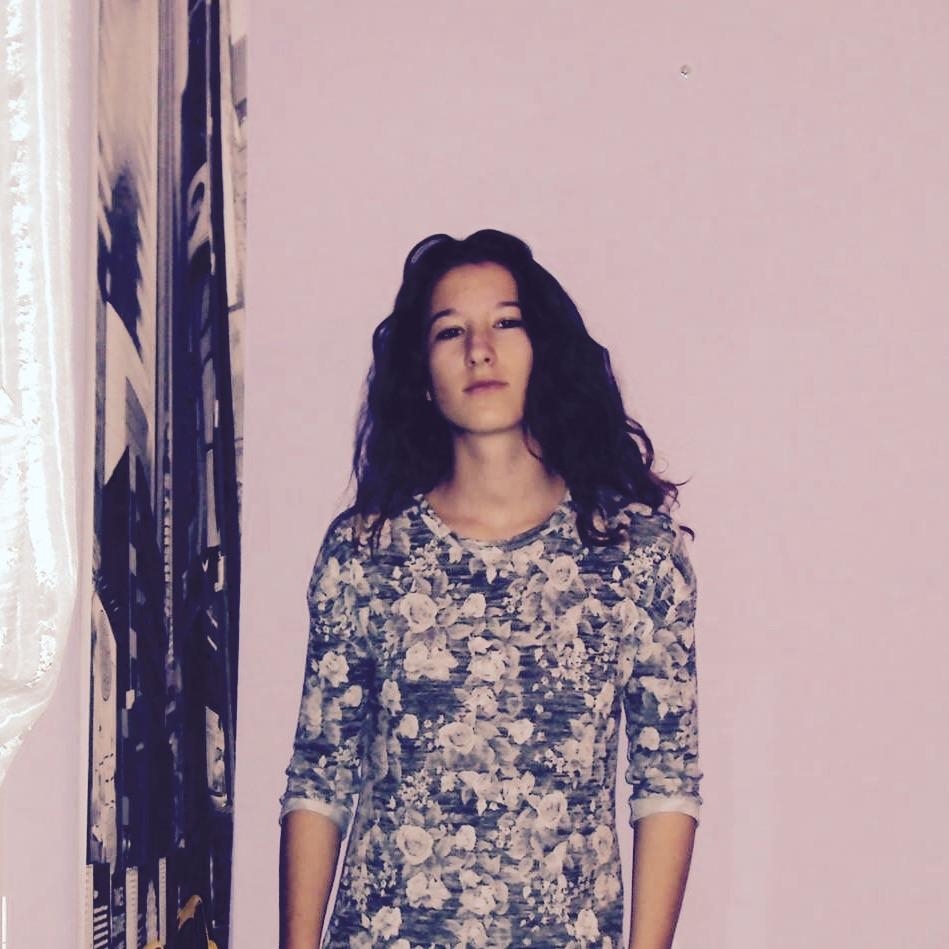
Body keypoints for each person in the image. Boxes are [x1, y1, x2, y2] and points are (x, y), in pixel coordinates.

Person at [278, 229, 702, 949]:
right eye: (450, 331)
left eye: (506, 322)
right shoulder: (365, 552)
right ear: (422, 373)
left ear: (544, 350)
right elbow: (320, 778)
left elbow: (667, 781)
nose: (480, 349)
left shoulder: (636, 554)